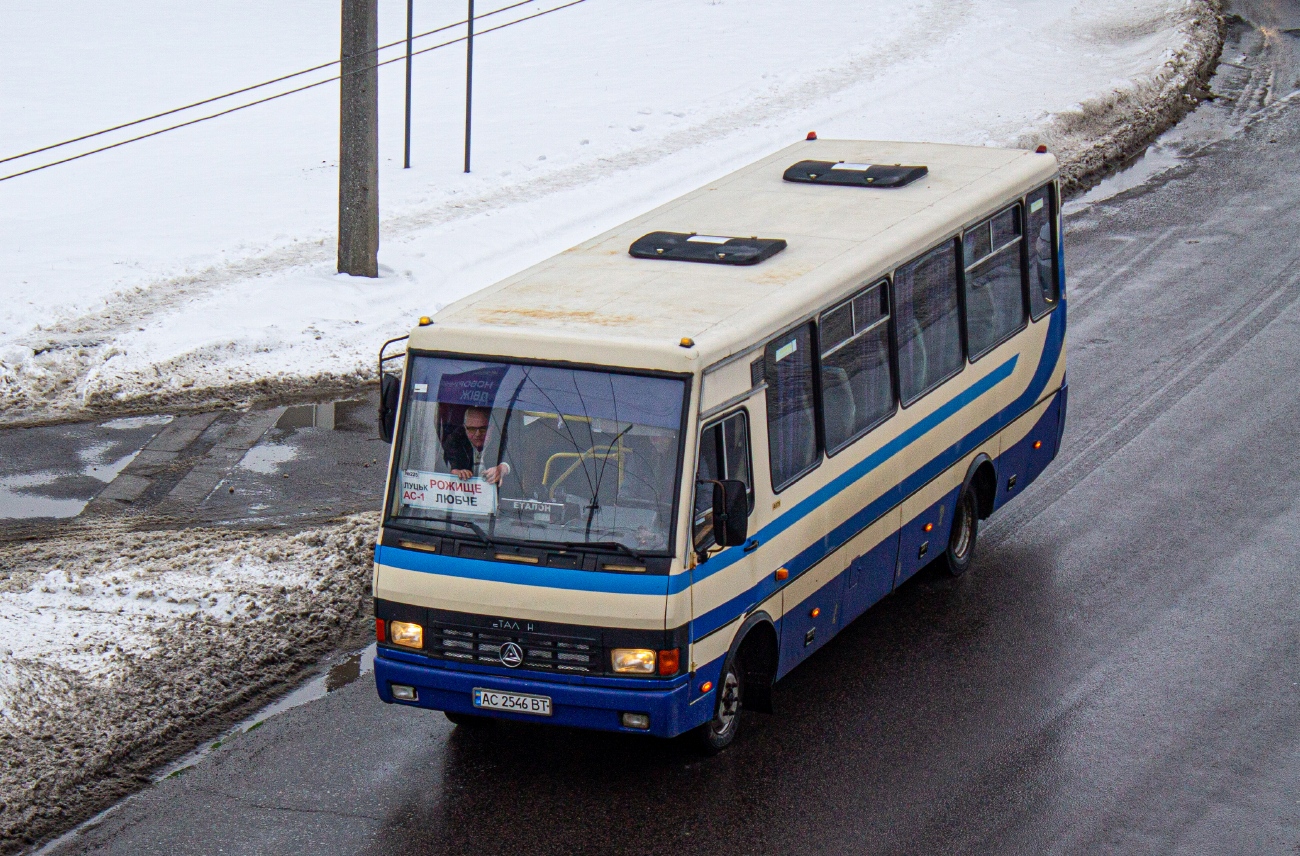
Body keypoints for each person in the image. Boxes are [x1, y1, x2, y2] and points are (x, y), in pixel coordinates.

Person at [446, 406, 511, 485]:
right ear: (465, 428)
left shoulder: (502, 438)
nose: (477, 434)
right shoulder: (455, 439)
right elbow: (446, 464)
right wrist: (455, 471)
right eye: (472, 429)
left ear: (492, 427)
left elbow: (514, 459)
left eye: (483, 429)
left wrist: (502, 468)